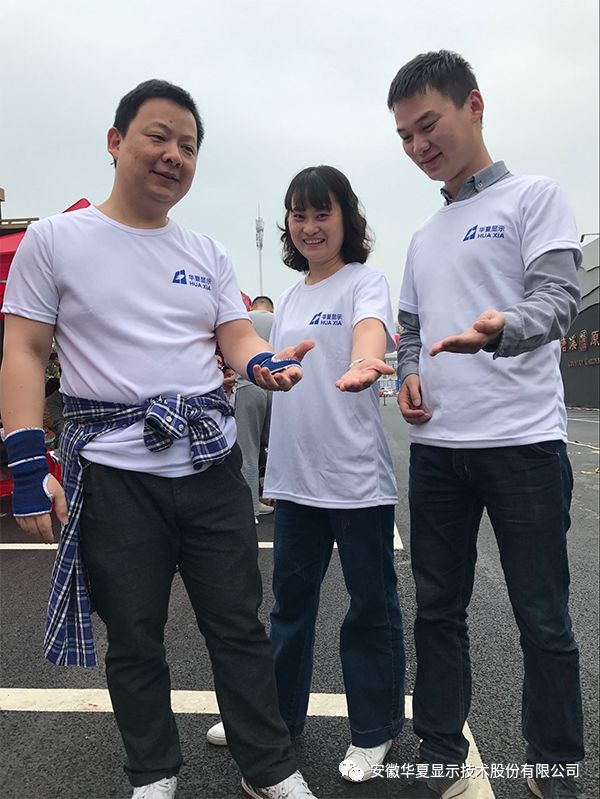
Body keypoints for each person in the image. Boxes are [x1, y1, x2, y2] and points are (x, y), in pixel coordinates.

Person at [0, 79, 319, 799]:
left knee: (237, 625)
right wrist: (26, 465)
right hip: (112, 473)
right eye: (159, 136)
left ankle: (268, 767)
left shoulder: (205, 251)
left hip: (209, 463)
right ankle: (153, 772)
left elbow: (234, 333)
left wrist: (261, 362)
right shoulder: (56, 239)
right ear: (116, 142)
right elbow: (22, 350)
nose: (175, 154)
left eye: (189, 145)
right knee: (135, 633)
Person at [387, 51, 585, 799]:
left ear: (473, 105)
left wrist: (503, 328)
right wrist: (408, 373)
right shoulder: (423, 236)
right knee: (437, 610)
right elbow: (410, 329)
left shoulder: (535, 197)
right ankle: (440, 752)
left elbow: (559, 299)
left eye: (427, 125)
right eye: (405, 136)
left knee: (544, 617)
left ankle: (554, 765)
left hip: (524, 445)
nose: (418, 146)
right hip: (437, 450)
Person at [207, 165, 405, 782]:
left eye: (323, 213)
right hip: (295, 481)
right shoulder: (290, 297)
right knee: (289, 608)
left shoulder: (364, 282)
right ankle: (275, 722)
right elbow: (265, 361)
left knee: (369, 607)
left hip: (355, 480)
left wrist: (367, 358)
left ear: (346, 218)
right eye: (299, 215)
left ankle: (374, 731)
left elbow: (371, 329)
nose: (310, 226)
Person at [235, 295, 276, 520]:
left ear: (252, 306)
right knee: (275, 446)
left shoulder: (244, 319)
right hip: (276, 388)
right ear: (272, 308)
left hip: (248, 386)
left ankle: (251, 510)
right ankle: (280, 500)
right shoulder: (279, 320)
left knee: (248, 450)